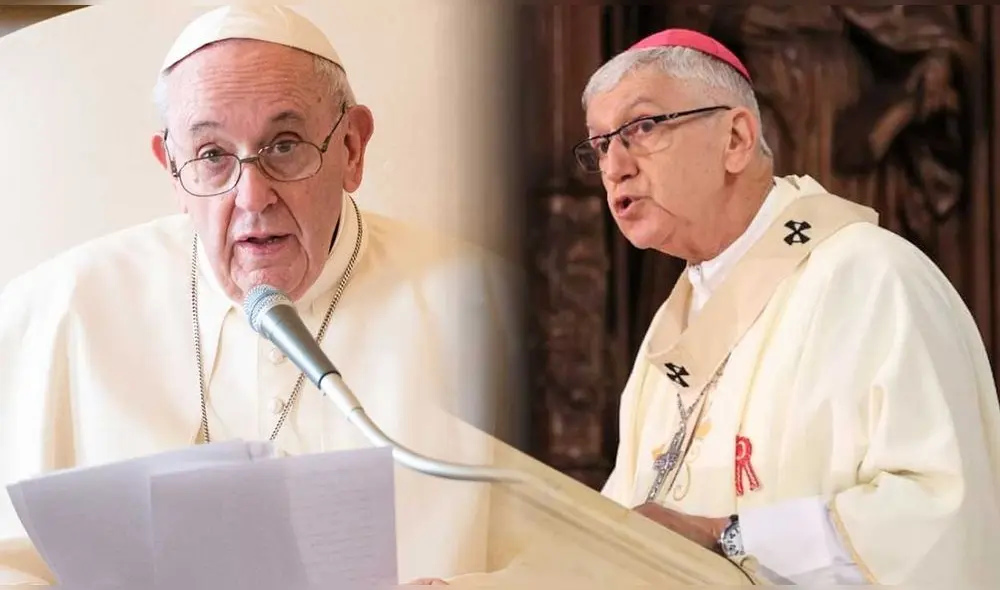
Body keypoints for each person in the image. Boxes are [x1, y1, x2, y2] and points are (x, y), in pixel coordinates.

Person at [0, 5, 523, 586]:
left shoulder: (490, 308)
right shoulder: (62, 311)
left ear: (352, 147)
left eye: (284, 145)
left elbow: (576, 557)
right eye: (212, 156)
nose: (252, 196)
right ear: (172, 168)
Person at [573, 28, 1000, 586]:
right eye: (601, 144)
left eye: (643, 127)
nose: (615, 167)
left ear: (736, 138)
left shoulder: (870, 278)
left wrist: (729, 536)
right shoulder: (674, 329)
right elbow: (618, 537)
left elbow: (941, 513)